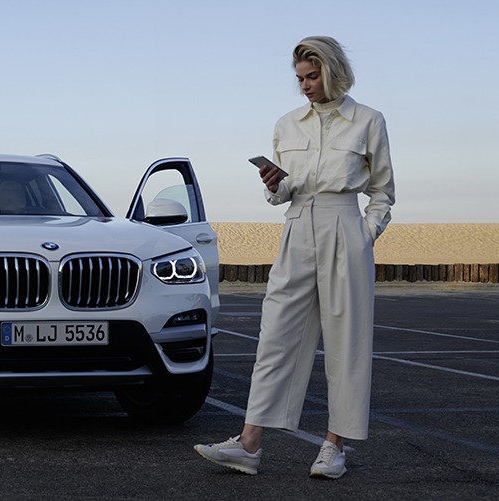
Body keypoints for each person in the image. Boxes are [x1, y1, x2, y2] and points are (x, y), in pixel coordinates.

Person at [194, 36, 395, 479]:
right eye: (300, 78)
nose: (305, 85)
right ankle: (249, 444)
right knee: (275, 336)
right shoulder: (287, 124)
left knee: (347, 342)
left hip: (345, 227)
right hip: (296, 225)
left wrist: (366, 233)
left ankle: (333, 447)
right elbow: (282, 192)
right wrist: (272, 183)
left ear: (333, 70)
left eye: (313, 75)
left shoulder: (368, 121)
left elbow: (382, 191)